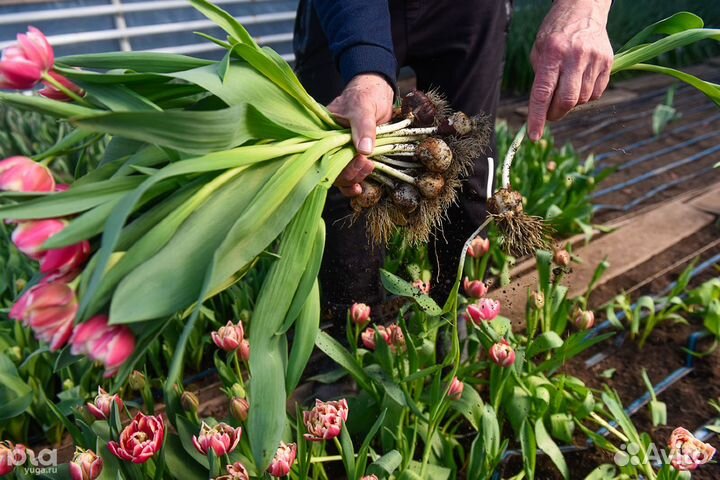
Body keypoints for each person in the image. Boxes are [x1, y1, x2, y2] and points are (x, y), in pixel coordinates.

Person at [293, 0, 614, 320]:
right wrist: (364, 65)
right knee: (341, 177)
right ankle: (347, 330)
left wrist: (584, 7)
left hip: (470, 10)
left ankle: (455, 321)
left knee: (469, 178)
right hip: (350, 11)